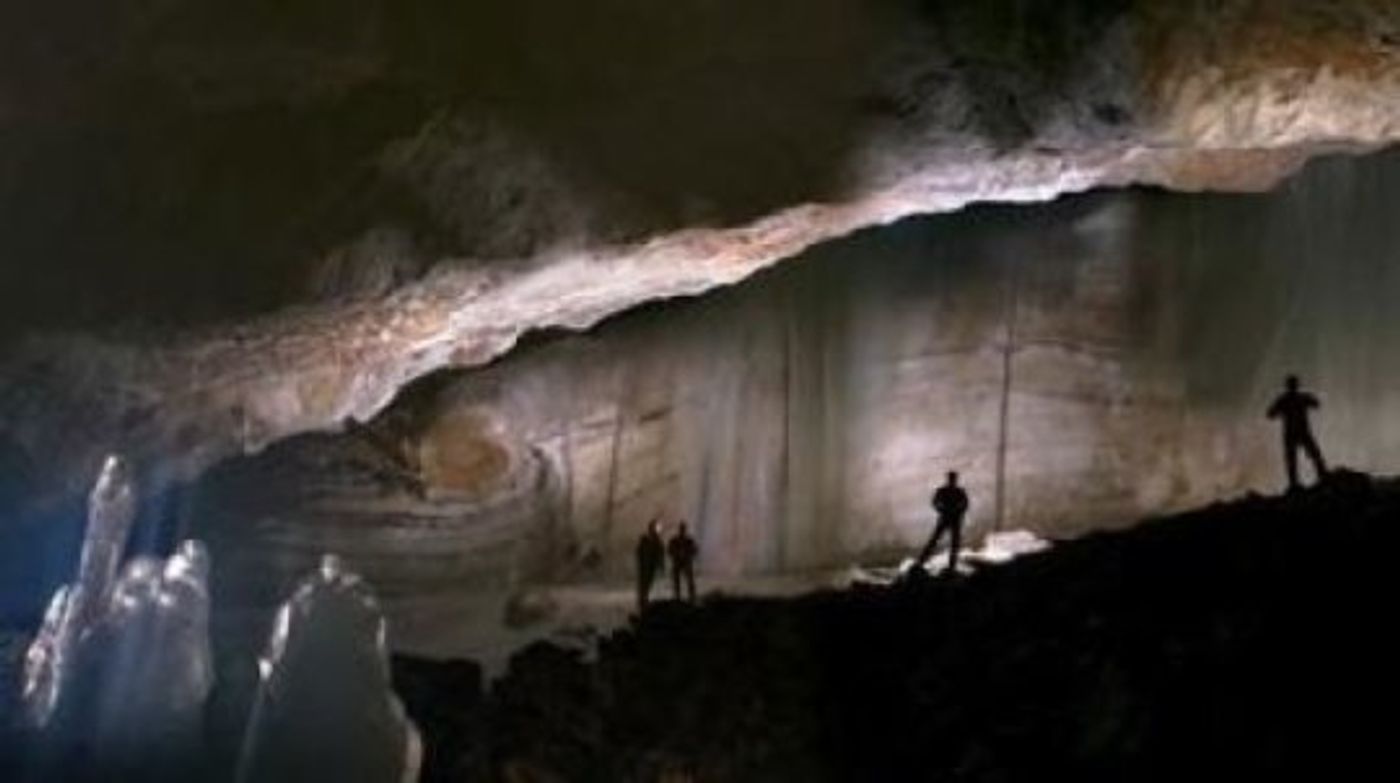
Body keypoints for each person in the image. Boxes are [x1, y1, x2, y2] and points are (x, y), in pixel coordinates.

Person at [1267, 374, 1329, 492]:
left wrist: (1277, 411)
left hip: (1295, 433)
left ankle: (1297, 483)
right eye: (1293, 385)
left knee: (1297, 458)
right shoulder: (1297, 398)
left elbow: (1270, 414)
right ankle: (1320, 477)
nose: (1293, 387)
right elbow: (1316, 404)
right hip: (1300, 432)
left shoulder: (1285, 399)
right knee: (1310, 456)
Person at [915, 471, 970, 575]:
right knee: (940, 541)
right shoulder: (955, 491)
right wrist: (946, 510)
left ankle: (923, 562)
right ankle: (922, 562)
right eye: (952, 478)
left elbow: (965, 505)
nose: (952, 480)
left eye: (953, 478)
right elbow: (935, 502)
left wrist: (945, 510)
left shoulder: (951, 491)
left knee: (947, 543)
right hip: (949, 518)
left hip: (949, 518)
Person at [634, 520, 665, 611]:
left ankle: (644, 598)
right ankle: (642, 599)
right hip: (645, 566)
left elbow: (660, 553)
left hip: (651, 565)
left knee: (648, 583)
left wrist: (661, 564)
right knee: (644, 583)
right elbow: (639, 552)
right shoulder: (646, 540)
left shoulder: (658, 541)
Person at [667, 522, 698, 603]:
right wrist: (676, 554)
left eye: (683, 529)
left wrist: (688, 554)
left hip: (685, 562)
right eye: (681, 529)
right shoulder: (675, 540)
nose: (682, 531)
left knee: (689, 580)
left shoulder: (689, 541)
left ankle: (691, 596)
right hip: (678, 562)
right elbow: (669, 550)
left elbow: (695, 550)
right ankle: (678, 596)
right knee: (677, 581)